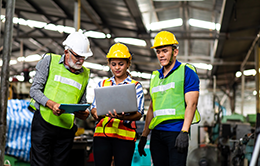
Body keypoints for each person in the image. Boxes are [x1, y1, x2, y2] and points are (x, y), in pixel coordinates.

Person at [29, 31, 93, 166]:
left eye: (84, 57)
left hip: (66, 130)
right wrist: (51, 104)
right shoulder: (49, 61)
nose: (81, 61)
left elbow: (81, 101)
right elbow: (34, 90)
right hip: (43, 126)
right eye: (77, 57)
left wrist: (84, 114)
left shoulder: (85, 74)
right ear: (67, 51)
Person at [138, 31, 201, 166]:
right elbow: (151, 108)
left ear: (175, 52)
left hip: (176, 132)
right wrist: (144, 135)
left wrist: (184, 132)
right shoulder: (155, 77)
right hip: (157, 134)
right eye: (158, 51)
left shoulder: (187, 72)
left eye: (165, 51)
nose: (161, 55)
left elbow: (192, 104)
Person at [90, 43, 145, 166]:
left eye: (121, 64)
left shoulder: (135, 86)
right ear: (109, 64)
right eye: (113, 64)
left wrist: (122, 117)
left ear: (128, 64)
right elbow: (94, 107)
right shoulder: (102, 84)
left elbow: (139, 114)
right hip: (102, 137)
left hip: (124, 138)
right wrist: (95, 113)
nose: (117, 68)